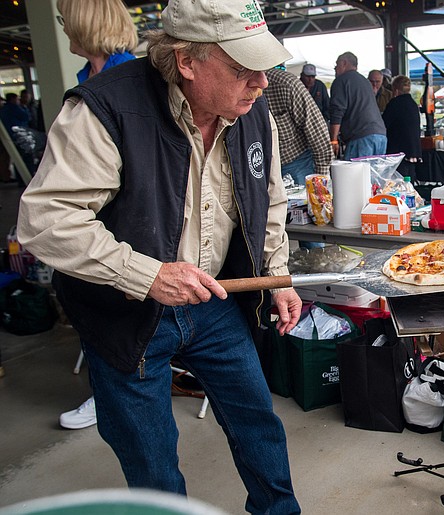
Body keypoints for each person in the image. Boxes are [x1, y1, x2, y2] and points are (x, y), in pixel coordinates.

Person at [17, 0, 302, 513]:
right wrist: (145, 275)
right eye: (242, 68)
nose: (261, 81)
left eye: (263, 64)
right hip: (126, 313)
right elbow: (45, 221)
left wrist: (276, 278)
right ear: (187, 61)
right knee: (150, 458)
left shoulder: (252, 112)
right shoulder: (104, 108)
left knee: (258, 422)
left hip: (215, 303)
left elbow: (271, 201)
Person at [53, 0, 140, 431]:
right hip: (96, 221)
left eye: (64, 19)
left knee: (119, 321)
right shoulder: (86, 80)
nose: (63, 27)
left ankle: (111, 396)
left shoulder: (130, 79)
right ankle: (107, 393)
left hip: (127, 223)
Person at [264, 67, 333, 187]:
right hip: (262, 169)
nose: (310, 79)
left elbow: (318, 132)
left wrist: (320, 184)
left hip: (296, 164)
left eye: (313, 77)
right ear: (302, 75)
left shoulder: (286, 85)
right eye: (308, 76)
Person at [57, 0, 138, 85]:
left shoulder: (129, 71)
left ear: (85, 25)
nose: (64, 29)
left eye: (65, 21)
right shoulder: (87, 73)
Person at [329, 51, 386, 160]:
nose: (335, 69)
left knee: (354, 175)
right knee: (374, 175)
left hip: (362, 137)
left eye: (337, 65)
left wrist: (333, 140)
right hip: (380, 136)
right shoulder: (365, 81)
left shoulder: (341, 81)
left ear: (344, 63)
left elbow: (337, 111)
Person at [382, 75, 422, 181]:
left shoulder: (395, 103)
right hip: (413, 150)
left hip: (398, 150)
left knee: (398, 179)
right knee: (410, 179)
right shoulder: (413, 104)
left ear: (395, 89)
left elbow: (384, 123)